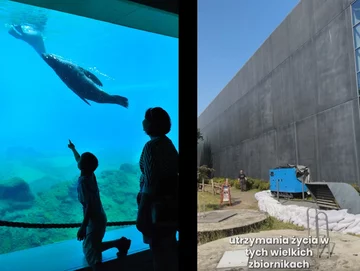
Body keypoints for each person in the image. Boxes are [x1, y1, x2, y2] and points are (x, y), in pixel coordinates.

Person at [67, 140, 131, 270]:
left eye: (80, 161)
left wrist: (83, 227)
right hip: (98, 217)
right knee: (91, 246)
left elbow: (88, 206)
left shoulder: (84, 182)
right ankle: (121, 243)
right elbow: (79, 159)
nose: (78, 161)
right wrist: (73, 149)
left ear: (82, 166)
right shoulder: (90, 174)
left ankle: (99, 265)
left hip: (94, 220)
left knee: (91, 254)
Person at [136, 107, 179, 271]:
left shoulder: (151, 146)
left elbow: (151, 183)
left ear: (151, 124)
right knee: (169, 250)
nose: (143, 122)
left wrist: (141, 213)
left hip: (156, 211)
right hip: (171, 207)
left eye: (145, 118)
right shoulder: (168, 144)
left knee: (159, 253)